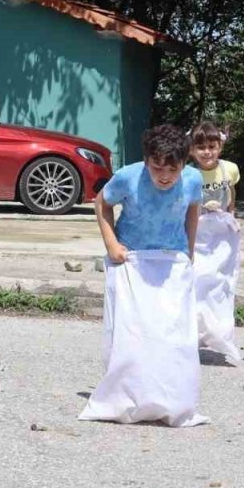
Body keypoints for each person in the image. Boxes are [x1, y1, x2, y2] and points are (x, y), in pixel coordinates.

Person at [78, 125, 208, 427]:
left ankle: (169, 397)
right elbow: (102, 202)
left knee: (171, 334)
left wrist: (190, 251)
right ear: (146, 160)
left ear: (184, 163)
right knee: (133, 335)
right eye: (157, 168)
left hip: (171, 260)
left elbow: (193, 209)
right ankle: (126, 396)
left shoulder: (192, 179)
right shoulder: (128, 176)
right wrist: (112, 244)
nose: (164, 176)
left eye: (172, 169)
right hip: (131, 260)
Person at [190, 121, 244, 366]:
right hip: (199, 230)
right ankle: (194, 332)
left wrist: (232, 216)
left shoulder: (229, 169)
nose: (207, 152)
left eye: (212, 147)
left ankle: (220, 332)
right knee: (198, 279)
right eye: (201, 147)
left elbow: (231, 193)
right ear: (192, 150)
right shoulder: (189, 173)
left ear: (220, 147)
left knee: (221, 281)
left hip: (222, 231)